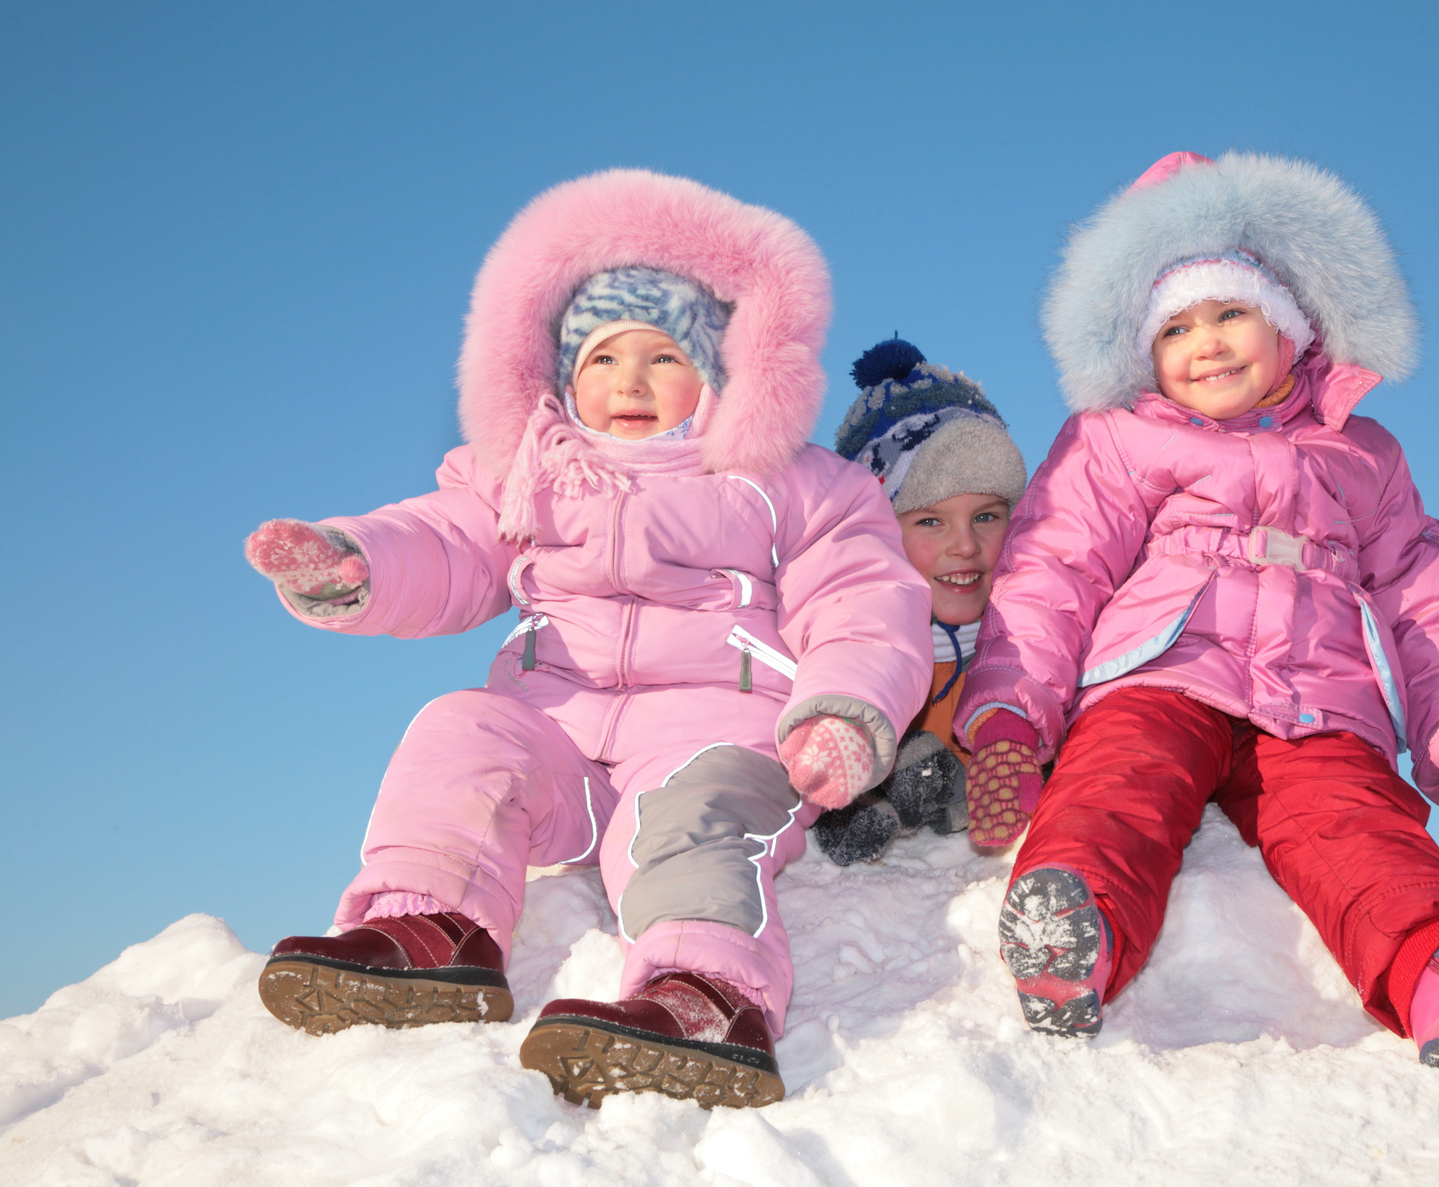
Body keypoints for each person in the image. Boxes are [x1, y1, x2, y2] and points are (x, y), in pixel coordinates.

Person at [243, 170, 930, 1109]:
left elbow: (859, 598)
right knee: (458, 730)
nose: (630, 382)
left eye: (662, 356)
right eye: (602, 359)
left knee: (696, 816)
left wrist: (842, 707)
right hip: (557, 737)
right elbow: (445, 543)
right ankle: (430, 925)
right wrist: (354, 560)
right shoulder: (522, 473)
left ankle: (706, 990)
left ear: (723, 372)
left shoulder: (790, 482)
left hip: (712, 733)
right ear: (561, 376)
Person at [955, 152, 1439, 1069]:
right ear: (1140, 351)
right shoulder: (1119, 438)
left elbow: (1421, 600)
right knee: (1120, 782)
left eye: (1229, 313)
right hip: (1161, 672)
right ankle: (1073, 934)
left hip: (1319, 703)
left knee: (1356, 829)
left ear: (1291, 327)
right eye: (1173, 327)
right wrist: (1013, 712)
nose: (1204, 342)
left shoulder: (1359, 453)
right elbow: (1053, 568)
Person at [810, 338, 1027, 865]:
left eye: (986, 516)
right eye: (930, 520)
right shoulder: (843, 651)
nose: (966, 546)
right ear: (879, 532)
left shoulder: (1036, 646)